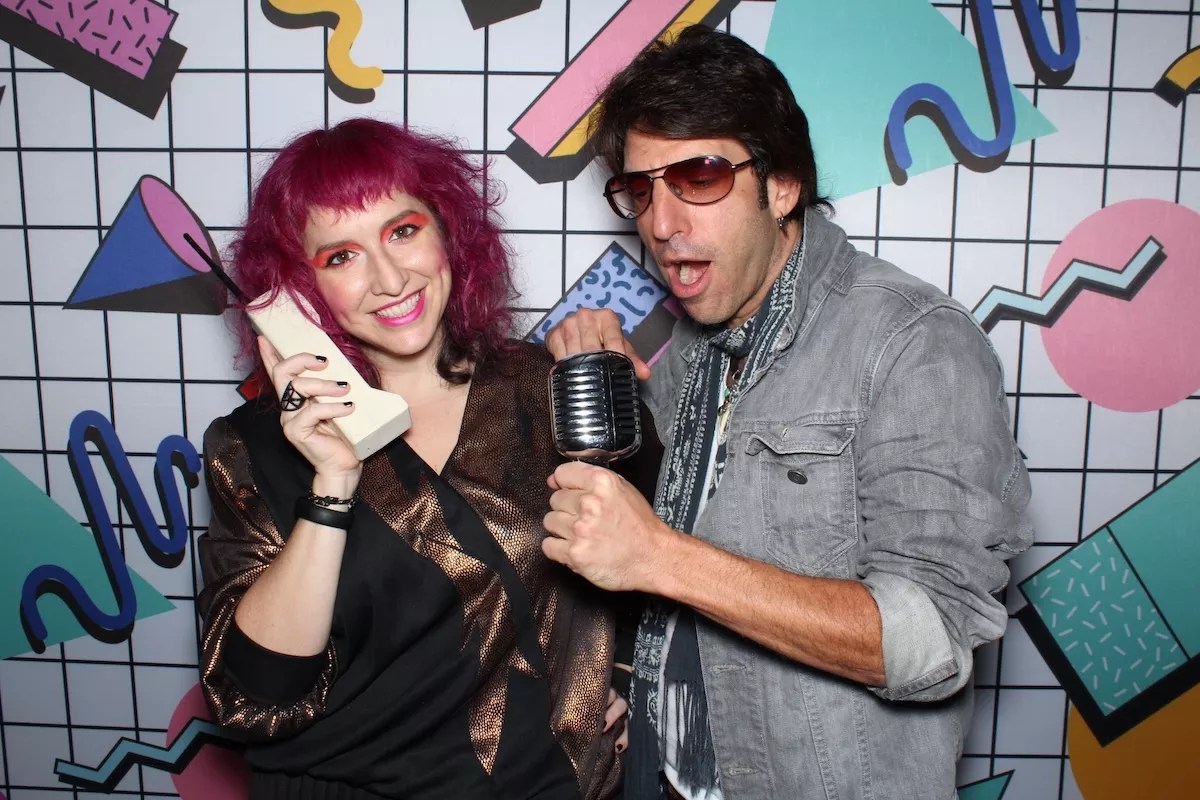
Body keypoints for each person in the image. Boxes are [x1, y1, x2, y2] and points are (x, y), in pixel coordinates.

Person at [542, 26, 1034, 800]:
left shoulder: (913, 342)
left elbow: (931, 640)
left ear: (782, 185)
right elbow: (683, 546)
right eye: (641, 190)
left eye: (698, 176)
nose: (661, 224)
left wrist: (661, 557)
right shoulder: (697, 340)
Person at [196, 118, 628, 800]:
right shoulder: (253, 448)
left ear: (447, 231)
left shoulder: (541, 390)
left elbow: (644, 545)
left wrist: (613, 673)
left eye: (403, 231)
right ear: (296, 289)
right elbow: (257, 694)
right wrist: (332, 486)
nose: (390, 278)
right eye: (341, 256)